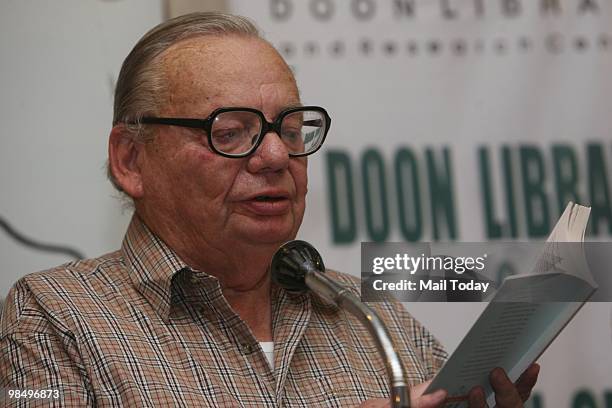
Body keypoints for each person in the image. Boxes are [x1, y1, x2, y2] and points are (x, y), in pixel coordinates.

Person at [0, 12, 538, 407]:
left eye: (289, 128)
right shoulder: (53, 318)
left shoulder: (372, 317)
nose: (277, 155)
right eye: (231, 132)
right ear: (132, 159)